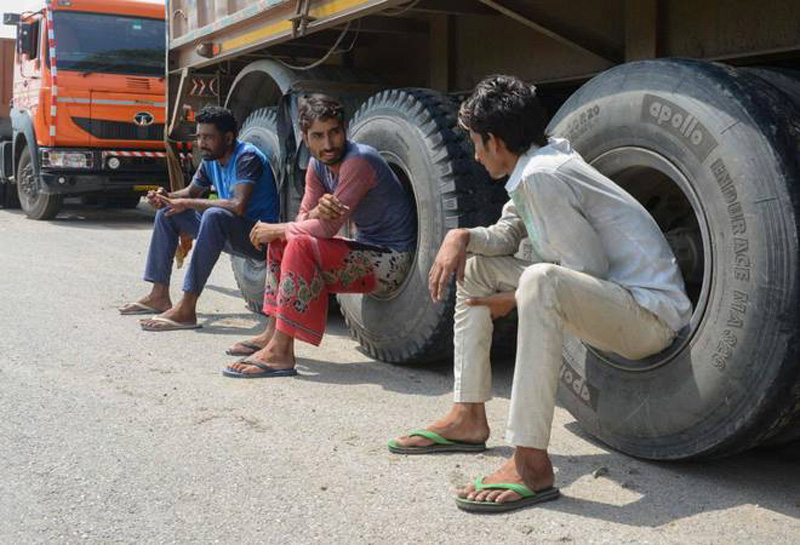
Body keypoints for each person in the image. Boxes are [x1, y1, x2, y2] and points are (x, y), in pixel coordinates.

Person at [389, 75, 692, 513]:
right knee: (474, 268)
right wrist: (460, 236)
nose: (475, 155)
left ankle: (530, 464)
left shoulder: (544, 175)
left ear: (495, 141)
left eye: (476, 143)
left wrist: (513, 300)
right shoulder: (536, 165)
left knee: (539, 280)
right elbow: (507, 234)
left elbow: (586, 270)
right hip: (615, 302)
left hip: (648, 318)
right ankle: (468, 416)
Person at [222, 94, 416, 378]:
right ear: (305, 137)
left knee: (296, 242)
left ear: (344, 130)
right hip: (366, 251)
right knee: (282, 242)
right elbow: (305, 218)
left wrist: (280, 227)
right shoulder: (317, 166)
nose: (328, 144)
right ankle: (272, 333)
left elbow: (326, 229)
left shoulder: (358, 161)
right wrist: (313, 213)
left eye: (334, 132)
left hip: (392, 261)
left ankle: (280, 352)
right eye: (318, 135)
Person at [119, 105, 279, 330]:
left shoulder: (247, 157)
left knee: (214, 215)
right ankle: (159, 295)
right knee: (167, 212)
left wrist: (185, 203)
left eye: (208, 137)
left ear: (228, 138)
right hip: (227, 231)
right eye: (199, 137)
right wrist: (166, 197)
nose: (201, 143)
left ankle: (187, 308)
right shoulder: (211, 158)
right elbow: (190, 192)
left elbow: (238, 205)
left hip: (258, 239)